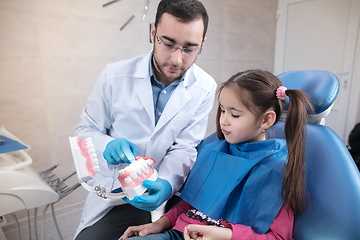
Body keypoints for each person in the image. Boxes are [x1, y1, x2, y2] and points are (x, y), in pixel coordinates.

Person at [73, 0, 216, 239]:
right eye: (168, 43)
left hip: (166, 194)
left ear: (202, 44)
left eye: (189, 48)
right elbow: (85, 129)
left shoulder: (205, 87)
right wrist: (107, 144)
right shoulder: (115, 75)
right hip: (117, 193)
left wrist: (168, 184)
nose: (177, 60)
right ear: (153, 33)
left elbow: (185, 146)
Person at [119, 69, 313, 240]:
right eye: (222, 110)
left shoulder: (278, 171)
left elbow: (277, 237)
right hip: (178, 234)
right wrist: (157, 225)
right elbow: (189, 205)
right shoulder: (214, 152)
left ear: (266, 120)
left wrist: (226, 235)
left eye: (235, 115)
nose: (223, 121)